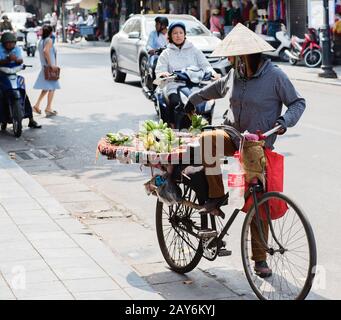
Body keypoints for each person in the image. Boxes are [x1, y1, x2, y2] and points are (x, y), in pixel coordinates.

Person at [184, 23, 306, 277]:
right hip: (232, 134)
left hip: (257, 143)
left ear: (246, 55)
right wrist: (194, 99)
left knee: (256, 198)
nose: (230, 59)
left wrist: (284, 122)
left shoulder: (275, 76)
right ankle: (215, 197)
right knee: (208, 140)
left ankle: (259, 259)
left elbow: (297, 103)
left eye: (234, 55)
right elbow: (215, 90)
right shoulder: (234, 73)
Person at [155, 21, 220, 128]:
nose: (178, 35)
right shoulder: (166, 53)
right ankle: (172, 127)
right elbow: (159, 71)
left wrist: (213, 73)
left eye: (181, 32)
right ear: (170, 35)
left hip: (195, 85)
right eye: (175, 33)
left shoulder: (194, 50)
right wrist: (163, 74)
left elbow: (205, 65)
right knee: (175, 102)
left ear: (185, 34)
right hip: (174, 85)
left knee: (206, 104)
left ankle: (206, 126)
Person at [0, 32, 41, 129]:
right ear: (3, 43)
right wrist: (8, 60)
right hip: (2, 74)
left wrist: (17, 60)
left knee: (24, 94)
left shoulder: (17, 49)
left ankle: (31, 120)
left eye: (12, 43)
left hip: (13, 73)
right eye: (8, 43)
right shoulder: (0, 49)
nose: (10, 45)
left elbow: (20, 60)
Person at [32, 25, 60, 117]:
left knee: (46, 88)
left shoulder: (41, 41)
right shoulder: (49, 40)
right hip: (49, 68)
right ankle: (48, 108)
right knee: (52, 87)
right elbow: (46, 51)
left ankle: (36, 105)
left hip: (44, 67)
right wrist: (51, 65)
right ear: (50, 32)